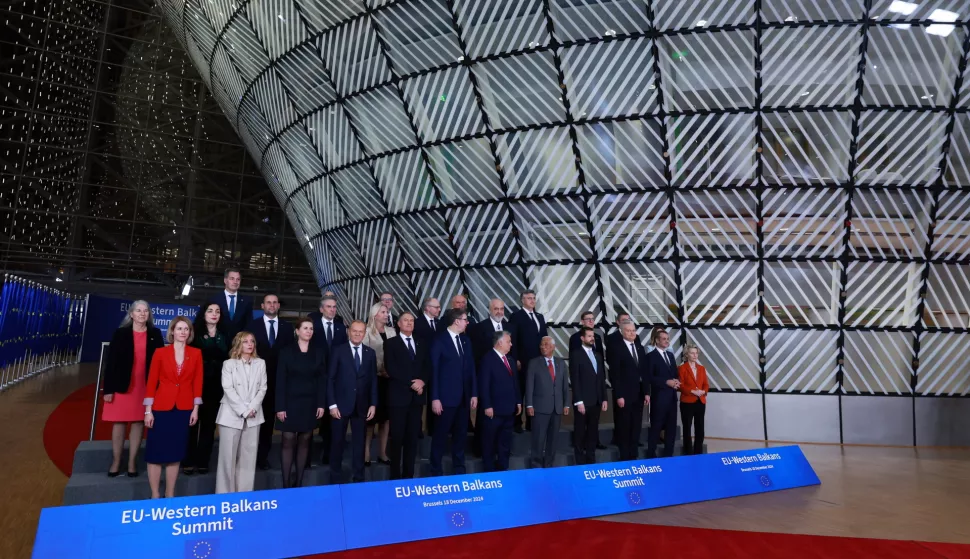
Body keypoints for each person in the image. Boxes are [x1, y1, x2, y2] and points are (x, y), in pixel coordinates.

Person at [102, 300, 165, 477]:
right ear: (131, 314)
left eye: (146, 311)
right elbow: (111, 363)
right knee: (119, 423)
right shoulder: (121, 333)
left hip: (145, 386)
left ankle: (131, 462)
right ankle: (116, 461)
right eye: (138, 310)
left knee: (138, 422)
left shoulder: (155, 333)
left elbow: (160, 363)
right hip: (122, 385)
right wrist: (108, 389)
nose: (142, 313)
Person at [143, 317, 203, 499]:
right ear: (172, 331)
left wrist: (195, 409)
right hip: (160, 408)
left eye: (186, 329)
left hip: (183, 409)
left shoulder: (196, 353)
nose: (183, 332)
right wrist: (148, 411)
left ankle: (170, 493)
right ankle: (155, 494)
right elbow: (151, 382)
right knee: (155, 453)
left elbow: (197, 382)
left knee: (175, 454)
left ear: (190, 333)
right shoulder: (160, 353)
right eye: (179, 329)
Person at [275, 317, 326, 487]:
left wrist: (321, 403)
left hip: (310, 403)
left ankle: (299, 483)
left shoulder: (318, 351)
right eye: (305, 328)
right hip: (289, 403)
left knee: (305, 440)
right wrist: (280, 406)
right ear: (297, 331)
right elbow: (280, 380)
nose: (309, 331)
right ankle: (285, 483)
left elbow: (322, 380)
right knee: (288, 441)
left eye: (311, 328)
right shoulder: (286, 351)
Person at [215, 331, 267, 493]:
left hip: (254, 416)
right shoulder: (228, 364)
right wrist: (244, 410)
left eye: (252, 341)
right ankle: (224, 496)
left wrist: (252, 408)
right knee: (227, 459)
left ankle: (244, 496)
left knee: (248, 459)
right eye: (245, 341)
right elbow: (228, 389)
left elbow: (262, 388)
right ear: (238, 344)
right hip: (231, 416)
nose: (250, 344)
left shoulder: (261, 363)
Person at [429, 308, 477, 476]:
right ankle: (435, 470)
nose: (467, 322)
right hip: (445, 399)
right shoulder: (439, 341)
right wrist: (435, 398)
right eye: (465, 319)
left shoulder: (466, 341)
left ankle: (459, 468)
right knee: (440, 436)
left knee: (461, 435)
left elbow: (471, 369)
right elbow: (433, 371)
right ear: (456, 321)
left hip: (463, 398)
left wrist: (474, 393)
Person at [247, 294, 293, 470]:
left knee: (268, 424)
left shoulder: (287, 328)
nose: (272, 305)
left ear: (278, 305)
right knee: (253, 421)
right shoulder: (252, 326)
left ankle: (262, 458)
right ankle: (248, 457)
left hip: (278, 382)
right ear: (262, 305)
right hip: (255, 382)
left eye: (275, 302)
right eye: (268, 302)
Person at [328, 320, 378, 483]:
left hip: (362, 405)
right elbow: (330, 379)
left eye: (361, 331)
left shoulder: (370, 353)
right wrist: (332, 404)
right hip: (340, 406)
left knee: (360, 444)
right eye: (355, 331)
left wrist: (373, 403)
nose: (357, 334)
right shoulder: (338, 351)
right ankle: (335, 478)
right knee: (337, 443)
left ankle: (359, 477)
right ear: (349, 331)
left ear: (365, 333)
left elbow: (373, 380)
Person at [183, 303, 229, 475]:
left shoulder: (225, 334)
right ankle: (188, 460)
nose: (214, 314)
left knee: (209, 426)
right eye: (210, 311)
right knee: (191, 424)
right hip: (194, 384)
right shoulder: (193, 332)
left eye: (217, 311)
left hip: (216, 386)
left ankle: (203, 461)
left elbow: (226, 356)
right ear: (203, 314)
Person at [469, 298, 517, 455]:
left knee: (504, 430)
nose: (499, 312)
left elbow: (513, 351)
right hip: (487, 380)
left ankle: (500, 453)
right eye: (496, 309)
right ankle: (481, 451)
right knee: (486, 422)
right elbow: (475, 354)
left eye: (502, 309)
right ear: (490, 309)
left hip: (506, 382)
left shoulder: (510, 327)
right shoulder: (479, 328)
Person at [383, 312, 428, 479]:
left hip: (416, 399)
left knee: (412, 439)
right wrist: (413, 384)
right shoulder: (391, 343)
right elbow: (391, 369)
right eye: (405, 320)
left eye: (411, 320)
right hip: (398, 398)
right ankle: (395, 475)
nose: (409, 323)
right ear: (398, 324)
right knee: (397, 438)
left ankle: (409, 474)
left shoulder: (421, 342)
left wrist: (422, 381)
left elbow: (427, 366)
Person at [309, 294, 347, 464]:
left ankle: (327, 454)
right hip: (315, 378)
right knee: (311, 418)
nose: (332, 310)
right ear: (321, 309)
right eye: (329, 307)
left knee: (331, 421)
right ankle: (306, 457)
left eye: (334, 307)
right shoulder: (313, 327)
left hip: (334, 379)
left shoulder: (341, 328)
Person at [606, 320, 650, 462]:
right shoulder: (616, 348)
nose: (632, 333)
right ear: (622, 332)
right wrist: (619, 395)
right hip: (624, 395)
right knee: (624, 425)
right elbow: (615, 374)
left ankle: (633, 454)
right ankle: (624, 456)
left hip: (638, 394)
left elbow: (645, 372)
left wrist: (647, 392)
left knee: (636, 425)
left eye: (633, 331)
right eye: (629, 331)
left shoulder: (640, 348)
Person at [478, 331, 521, 472]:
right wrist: (487, 405)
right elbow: (484, 384)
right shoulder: (487, 359)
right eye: (509, 341)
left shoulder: (510, 360)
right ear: (500, 342)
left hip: (509, 409)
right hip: (494, 410)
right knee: (489, 441)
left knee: (505, 441)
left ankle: (503, 468)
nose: (511, 344)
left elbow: (515, 382)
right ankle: (489, 470)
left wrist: (518, 401)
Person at [525, 336, 569, 468]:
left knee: (553, 439)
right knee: (538, 438)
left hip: (557, 407)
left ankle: (549, 464)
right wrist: (529, 404)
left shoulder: (561, 363)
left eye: (546, 344)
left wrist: (566, 404)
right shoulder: (534, 363)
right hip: (539, 407)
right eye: (541, 344)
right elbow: (529, 385)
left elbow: (564, 386)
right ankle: (536, 465)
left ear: (553, 347)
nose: (542, 347)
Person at [509, 290, 546, 432]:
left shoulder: (540, 316)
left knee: (535, 392)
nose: (532, 300)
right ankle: (517, 423)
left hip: (538, 361)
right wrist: (516, 358)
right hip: (523, 361)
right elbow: (514, 339)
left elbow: (544, 338)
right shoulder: (516, 316)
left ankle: (532, 423)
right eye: (529, 298)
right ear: (522, 300)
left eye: (534, 298)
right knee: (522, 391)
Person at [362, 302, 394, 466]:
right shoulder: (366, 333)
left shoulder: (392, 331)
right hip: (373, 380)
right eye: (383, 312)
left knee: (386, 419)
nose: (386, 314)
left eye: (387, 312)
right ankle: (366, 453)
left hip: (389, 381)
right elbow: (364, 358)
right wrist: (378, 370)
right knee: (370, 420)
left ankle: (382, 452)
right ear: (374, 314)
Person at [569, 326, 606, 465]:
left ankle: (591, 460)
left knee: (592, 431)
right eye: (589, 336)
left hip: (596, 400)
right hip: (583, 401)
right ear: (582, 338)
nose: (592, 339)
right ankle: (579, 461)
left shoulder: (598, 355)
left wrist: (604, 398)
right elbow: (575, 379)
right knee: (580, 432)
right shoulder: (576, 354)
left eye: (593, 336)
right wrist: (578, 401)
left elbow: (601, 378)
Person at [646, 327, 679, 458]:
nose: (667, 341)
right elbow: (649, 377)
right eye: (664, 339)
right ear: (656, 340)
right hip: (659, 398)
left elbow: (674, 373)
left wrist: (676, 381)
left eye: (668, 339)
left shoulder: (670, 355)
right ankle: (651, 454)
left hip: (672, 397)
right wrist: (666, 382)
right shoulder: (650, 356)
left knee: (671, 428)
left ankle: (668, 455)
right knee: (656, 427)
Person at [414, 297, 442, 437]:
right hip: (421, 367)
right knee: (418, 400)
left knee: (435, 397)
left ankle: (433, 428)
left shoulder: (439, 323)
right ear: (427, 308)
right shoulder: (417, 323)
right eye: (436, 307)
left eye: (439, 307)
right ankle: (416, 429)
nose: (439, 309)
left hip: (437, 367)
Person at [678, 342, 708, 455]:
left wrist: (703, 391)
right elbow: (680, 385)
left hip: (700, 401)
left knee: (700, 428)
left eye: (696, 353)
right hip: (687, 402)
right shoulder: (682, 368)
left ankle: (698, 452)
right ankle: (688, 453)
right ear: (687, 354)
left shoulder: (701, 368)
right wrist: (692, 391)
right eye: (692, 353)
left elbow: (706, 384)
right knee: (687, 428)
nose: (695, 355)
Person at [206, 268, 253, 339]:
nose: (235, 282)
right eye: (232, 278)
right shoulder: (213, 299)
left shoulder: (247, 301)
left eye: (238, 279)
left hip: (238, 344)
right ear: (225, 280)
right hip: (218, 342)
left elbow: (249, 323)